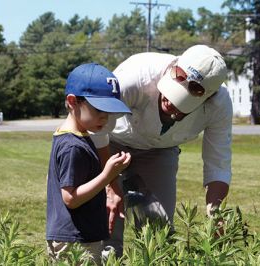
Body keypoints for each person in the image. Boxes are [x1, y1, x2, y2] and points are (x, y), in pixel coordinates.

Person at [91, 44, 232, 256]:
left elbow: (218, 162)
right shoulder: (135, 75)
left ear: (208, 98)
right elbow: (96, 127)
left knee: (160, 232)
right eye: (171, 89)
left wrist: (215, 215)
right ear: (173, 67)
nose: (170, 102)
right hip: (111, 140)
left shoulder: (220, 105)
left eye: (181, 104)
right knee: (107, 221)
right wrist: (110, 187)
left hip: (160, 150)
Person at [45, 63, 132, 264]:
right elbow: (70, 198)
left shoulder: (74, 137)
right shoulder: (72, 146)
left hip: (78, 237)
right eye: (99, 109)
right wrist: (107, 176)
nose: (105, 117)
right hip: (75, 241)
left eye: (109, 111)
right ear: (73, 101)